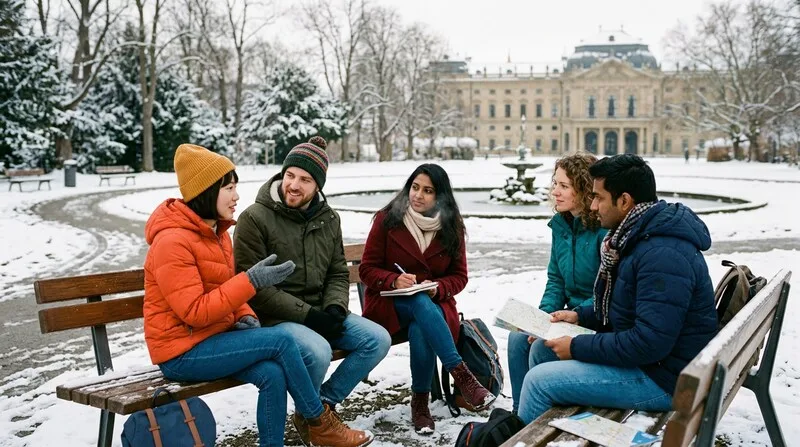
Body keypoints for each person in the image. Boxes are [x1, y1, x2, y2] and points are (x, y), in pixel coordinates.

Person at [143, 144, 374, 447]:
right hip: (181, 351)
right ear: (206, 191)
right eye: (228, 188)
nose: (236, 196)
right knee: (281, 341)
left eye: (235, 187)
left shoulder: (217, 234)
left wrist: (247, 316)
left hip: (212, 338)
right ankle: (318, 421)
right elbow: (195, 312)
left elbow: (229, 293)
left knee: (272, 373)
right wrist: (250, 281)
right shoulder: (172, 242)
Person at [516, 154, 718, 424]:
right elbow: (629, 311)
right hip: (658, 365)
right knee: (543, 349)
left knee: (538, 383)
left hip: (667, 380)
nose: (593, 205)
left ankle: (523, 436)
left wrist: (577, 346)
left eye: (599, 197)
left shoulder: (661, 254)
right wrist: (581, 317)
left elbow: (649, 343)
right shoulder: (636, 236)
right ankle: (522, 426)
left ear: (624, 201)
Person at [234, 137, 391, 444]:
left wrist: (334, 307)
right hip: (276, 318)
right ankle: (317, 418)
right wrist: (309, 316)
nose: (294, 185)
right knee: (318, 350)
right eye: (290, 175)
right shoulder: (254, 218)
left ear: (317, 186)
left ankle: (319, 409)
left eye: (305, 180)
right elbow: (255, 289)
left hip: (319, 310)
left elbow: (336, 271)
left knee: (377, 339)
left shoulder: (329, 218)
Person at [358, 164, 496, 435]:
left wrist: (437, 288)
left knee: (422, 316)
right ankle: (462, 374)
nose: (418, 195)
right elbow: (366, 270)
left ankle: (420, 402)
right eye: (415, 187)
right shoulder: (388, 219)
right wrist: (393, 280)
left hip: (433, 306)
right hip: (388, 304)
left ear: (440, 196)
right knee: (421, 305)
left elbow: (459, 276)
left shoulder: (450, 226)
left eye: (428, 191)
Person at [506, 153, 607, 414]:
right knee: (519, 337)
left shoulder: (602, 232)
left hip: (594, 321)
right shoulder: (561, 226)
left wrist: (570, 317)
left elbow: (608, 291)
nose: (555, 192)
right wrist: (542, 317)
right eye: (554, 184)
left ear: (584, 189)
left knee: (541, 346)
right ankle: (521, 413)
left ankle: (539, 414)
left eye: (563, 186)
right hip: (567, 317)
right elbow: (556, 280)